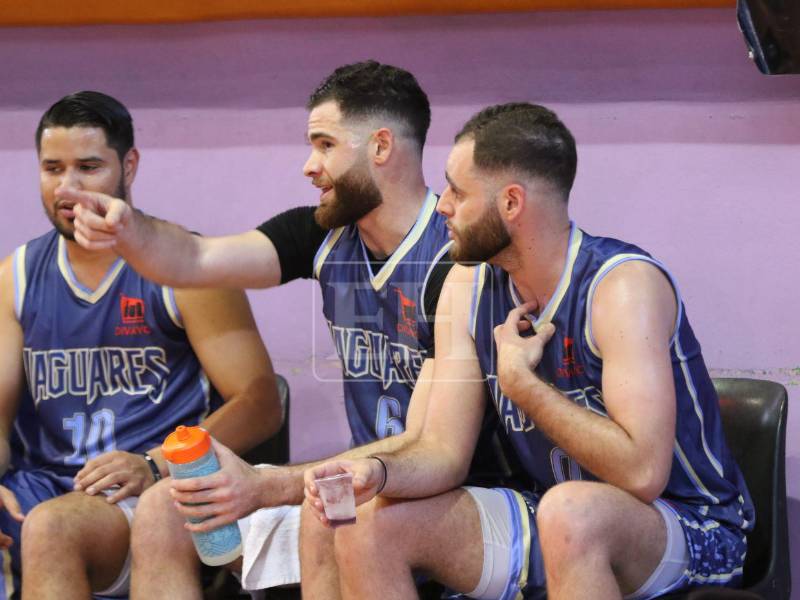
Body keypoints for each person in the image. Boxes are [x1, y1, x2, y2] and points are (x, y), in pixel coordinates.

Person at [66, 62, 519, 598]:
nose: (309, 165)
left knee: (327, 513)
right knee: (169, 508)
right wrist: (127, 227)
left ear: (380, 146)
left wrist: (267, 484)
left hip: (441, 492)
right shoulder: (321, 235)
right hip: (355, 483)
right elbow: (196, 257)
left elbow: (429, 447)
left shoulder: (454, 261)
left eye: (325, 144)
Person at [303, 102, 755, 599]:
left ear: (511, 203)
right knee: (369, 522)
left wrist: (523, 387)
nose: (443, 206)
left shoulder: (622, 286)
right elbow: (442, 453)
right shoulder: (466, 283)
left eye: (458, 190)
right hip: (550, 510)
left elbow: (643, 474)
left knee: (572, 514)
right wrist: (379, 472)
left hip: (689, 526)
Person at [0, 91, 281, 600]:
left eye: (88, 167)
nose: (68, 187)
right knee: (42, 518)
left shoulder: (187, 269)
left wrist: (154, 462)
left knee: (51, 528)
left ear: (128, 165)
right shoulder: (13, 278)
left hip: (142, 489)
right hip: (41, 486)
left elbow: (261, 403)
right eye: (52, 168)